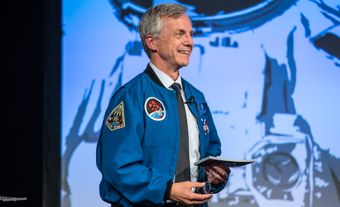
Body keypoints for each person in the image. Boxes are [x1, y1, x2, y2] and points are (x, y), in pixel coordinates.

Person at [96, 3, 230, 207]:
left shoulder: (196, 96)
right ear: (152, 42)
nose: (190, 42)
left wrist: (214, 175)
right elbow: (118, 166)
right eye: (180, 34)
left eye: (191, 34)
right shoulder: (131, 96)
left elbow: (210, 152)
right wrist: (167, 189)